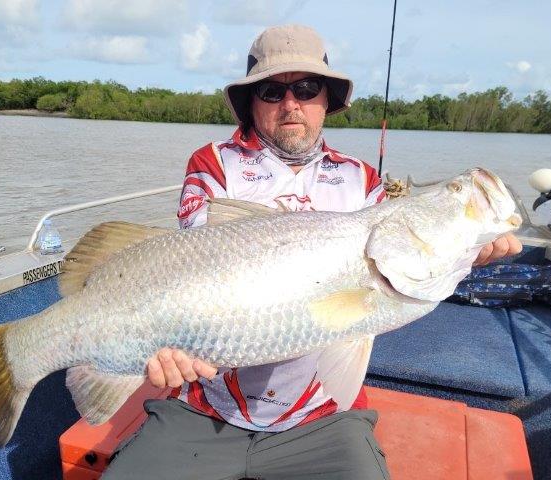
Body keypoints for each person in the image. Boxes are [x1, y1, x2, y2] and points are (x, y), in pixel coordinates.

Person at [103, 24, 522, 480]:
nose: (290, 104)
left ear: (326, 100)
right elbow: (198, 263)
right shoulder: (213, 162)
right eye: (271, 90)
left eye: (307, 88)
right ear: (251, 101)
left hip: (324, 416)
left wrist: (468, 250)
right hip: (206, 408)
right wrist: (162, 346)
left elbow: (403, 271)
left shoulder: (362, 180)